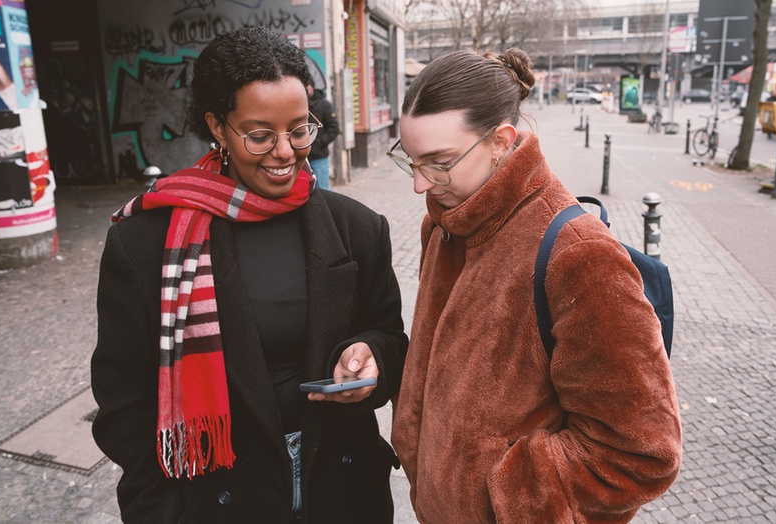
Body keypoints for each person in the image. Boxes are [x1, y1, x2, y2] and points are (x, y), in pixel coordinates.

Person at [91, 26, 408, 524]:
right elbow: (122, 398)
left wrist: (372, 358)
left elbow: (390, 334)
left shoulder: (359, 228)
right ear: (219, 126)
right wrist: (160, 503)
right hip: (213, 497)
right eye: (260, 135)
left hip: (342, 490)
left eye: (300, 129)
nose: (285, 151)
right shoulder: (143, 244)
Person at [388, 48, 682, 523]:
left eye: (437, 162)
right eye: (410, 160)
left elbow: (640, 452)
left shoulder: (579, 253)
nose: (420, 185)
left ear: (501, 141)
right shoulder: (446, 225)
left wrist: (506, 496)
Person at [306, 79, 340, 190]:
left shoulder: (324, 105)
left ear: (311, 87)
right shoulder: (300, 105)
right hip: (303, 158)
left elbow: (334, 128)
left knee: (323, 189)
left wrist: (320, 141)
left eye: (306, 86)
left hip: (319, 157)